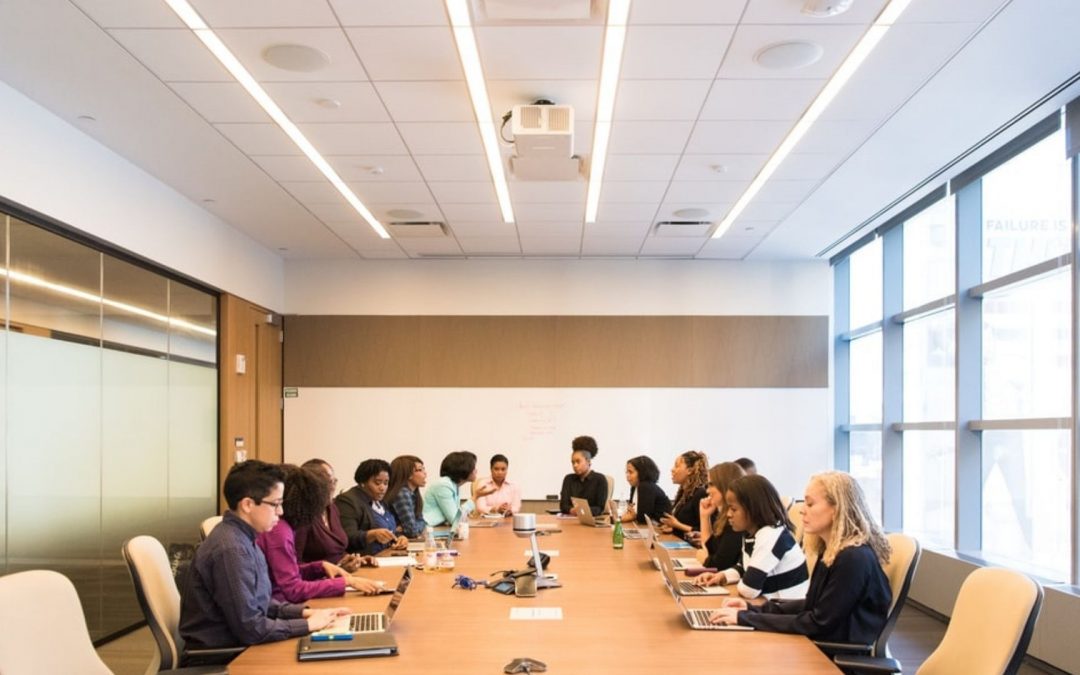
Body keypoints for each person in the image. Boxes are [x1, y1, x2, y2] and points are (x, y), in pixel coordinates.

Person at [179, 460, 348, 651]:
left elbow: (262, 604)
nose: (281, 511)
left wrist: (306, 613)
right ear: (248, 504)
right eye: (275, 504)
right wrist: (307, 625)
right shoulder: (232, 550)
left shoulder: (245, 537)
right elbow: (251, 628)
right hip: (226, 654)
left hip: (242, 644)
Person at [709, 471, 892, 644]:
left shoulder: (853, 559)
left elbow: (817, 622)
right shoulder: (833, 551)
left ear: (837, 509)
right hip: (818, 644)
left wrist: (747, 619)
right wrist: (751, 609)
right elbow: (812, 606)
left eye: (810, 504)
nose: (802, 510)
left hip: (832, 658)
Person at [257, 465, 382, 602]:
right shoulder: (279, 531)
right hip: (284, 606)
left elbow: (289, 571)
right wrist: (346, 582)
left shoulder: (284, 527)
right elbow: (292, 589)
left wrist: (320, 567)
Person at [694, 474, 809, 600]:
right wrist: (722, 576)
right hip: (769, 606)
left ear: (754, 509)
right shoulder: (751, 533)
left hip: (785, 611)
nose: (728, 514)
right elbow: (743, 567)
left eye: (733, 509)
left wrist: (744, 581)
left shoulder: (770, 535)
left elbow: (749, 589)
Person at [292, 458, 369, 572]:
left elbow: (337, 551)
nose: (333, 487)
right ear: (312, 484)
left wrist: (352, 560)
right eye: (328, 482)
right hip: (318, 583)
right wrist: (333, 569)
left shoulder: (332, 508)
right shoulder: (302, 515)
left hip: (341, 577)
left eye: (334, 481)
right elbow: (294, 565)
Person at [336, 459, 409, 554]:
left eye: (386, 483)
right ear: (362, 482)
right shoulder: (347, 501)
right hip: (365, 559)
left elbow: (390, 530)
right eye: (377, 483)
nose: (382, 488)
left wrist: (400, 538)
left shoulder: (380, 501)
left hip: (387, 554)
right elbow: (347, 537)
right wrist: (371, 534)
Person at [696, 462, 746, 570]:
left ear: (725, 485)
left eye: (711, 484)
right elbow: (710, 550)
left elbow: (719, 565)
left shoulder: (738, 518)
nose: (707, 490)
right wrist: (704, 516)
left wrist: (705, 559)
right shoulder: (723, 515)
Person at [423, 451, 494, 527]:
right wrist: (475, 496)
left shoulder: (454, 485)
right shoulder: (443, 485)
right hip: (429, 530)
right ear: (463, 469)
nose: (476, 471)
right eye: (473, 468)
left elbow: (458, 516)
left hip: (440, 528)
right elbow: (455, 519)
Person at [660, 450, 709, 540]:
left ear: (689, 470)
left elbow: (704, 531)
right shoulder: (683, 492)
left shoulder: (700, 494)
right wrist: (672, 527)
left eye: (676, 466)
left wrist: (677, 525)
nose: (672, 469)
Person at [558, 435, 607, 516]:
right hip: (571, 520)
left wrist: (581, 511)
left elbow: (599, 508)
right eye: (573, 462)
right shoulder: (568, 479)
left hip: (591, 520)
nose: (575, 465)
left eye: (578, 461)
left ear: (588, 461)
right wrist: (571, 510)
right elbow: (563, 505)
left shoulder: (600, 479)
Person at [620, 455, 671, 524]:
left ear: (642, 472)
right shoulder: (635, 486)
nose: (627, 475)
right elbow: (632, 512)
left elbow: (643, 518)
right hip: (648, 527)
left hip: (659, 527)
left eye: (631, 472)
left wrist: (629, 517)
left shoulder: (646, 486)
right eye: (627, 472)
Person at [386, 455, 428, 538]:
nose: (425, 473)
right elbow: (412, 531)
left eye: (424, 469)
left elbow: (421, 520)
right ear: (408, 475)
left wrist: (417, 523)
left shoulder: (413, 493)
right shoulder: (402, 493)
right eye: (420, 470)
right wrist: (418, 524)